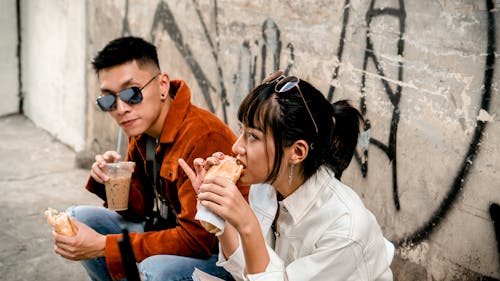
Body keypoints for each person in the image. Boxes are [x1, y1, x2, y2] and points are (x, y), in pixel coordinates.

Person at [51, 36, 248, 281]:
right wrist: (110, 181)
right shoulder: (141, 127)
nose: (121, 109)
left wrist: (106, 245)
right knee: (79, 220)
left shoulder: (203, 137)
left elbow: (197, 241)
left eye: (132, 93)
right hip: (167, 230)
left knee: (156, 269)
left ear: (163, 85)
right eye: (109, 99)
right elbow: (138, 210)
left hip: (222, 257)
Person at [179, 70, 394, 280]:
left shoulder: (346, 229)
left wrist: (248, 225)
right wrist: (215, 210)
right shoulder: (265, 188)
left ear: (297, 152)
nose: (236, 146)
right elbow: (247, 272)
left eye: (252, 136)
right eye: (242, 130)